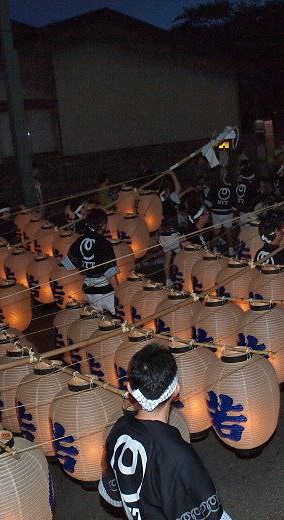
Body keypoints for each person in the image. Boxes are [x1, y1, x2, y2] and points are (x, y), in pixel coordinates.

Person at [100, 343, 231, 520]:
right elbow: (207, 510)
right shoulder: (177, 454)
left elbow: (113, 487)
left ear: (130, 389)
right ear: (176, 389)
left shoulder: (119, 428)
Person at [63, 208, 119, 314]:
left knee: (98, 321)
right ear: (103, 224)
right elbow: (110, 272)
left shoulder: (79, 242)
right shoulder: (104, 244)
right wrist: (118, 292)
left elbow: (68, 265)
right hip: (105, 289)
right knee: (119, 318)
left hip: (89, 290)